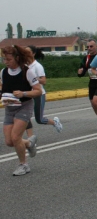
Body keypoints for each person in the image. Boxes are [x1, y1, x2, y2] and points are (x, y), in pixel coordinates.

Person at [0, 45, 42, 176]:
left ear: (17, 58)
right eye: (4, 59)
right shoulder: (3, 72)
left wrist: (23, 93)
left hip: (24, 106)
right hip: (9, 107)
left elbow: (38, 91)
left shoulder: (27, 71)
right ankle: (29, 143)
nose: (6, 62)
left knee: (15, 136)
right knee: (9, 142)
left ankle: (23, 165)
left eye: (8, 59)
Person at [26, 45, 63, 133]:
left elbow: (43, 81)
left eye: (28, 52)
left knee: (39, 119)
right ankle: (31, 139)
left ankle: (55, 122)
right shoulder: (24, 66)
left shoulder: (37, 66)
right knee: (26, 117)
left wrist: (32, 78)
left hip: (39, 94)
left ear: (33, 54)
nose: (26, 54)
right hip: (28, 94)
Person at [77, 39, 97, 131]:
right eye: (88, 47)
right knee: (93, 104)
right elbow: (83, 69)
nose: (89, 48)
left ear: (96, 46)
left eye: (91, 46)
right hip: (92, 82)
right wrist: (80, 72)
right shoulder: (87, 58)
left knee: (96, 101)